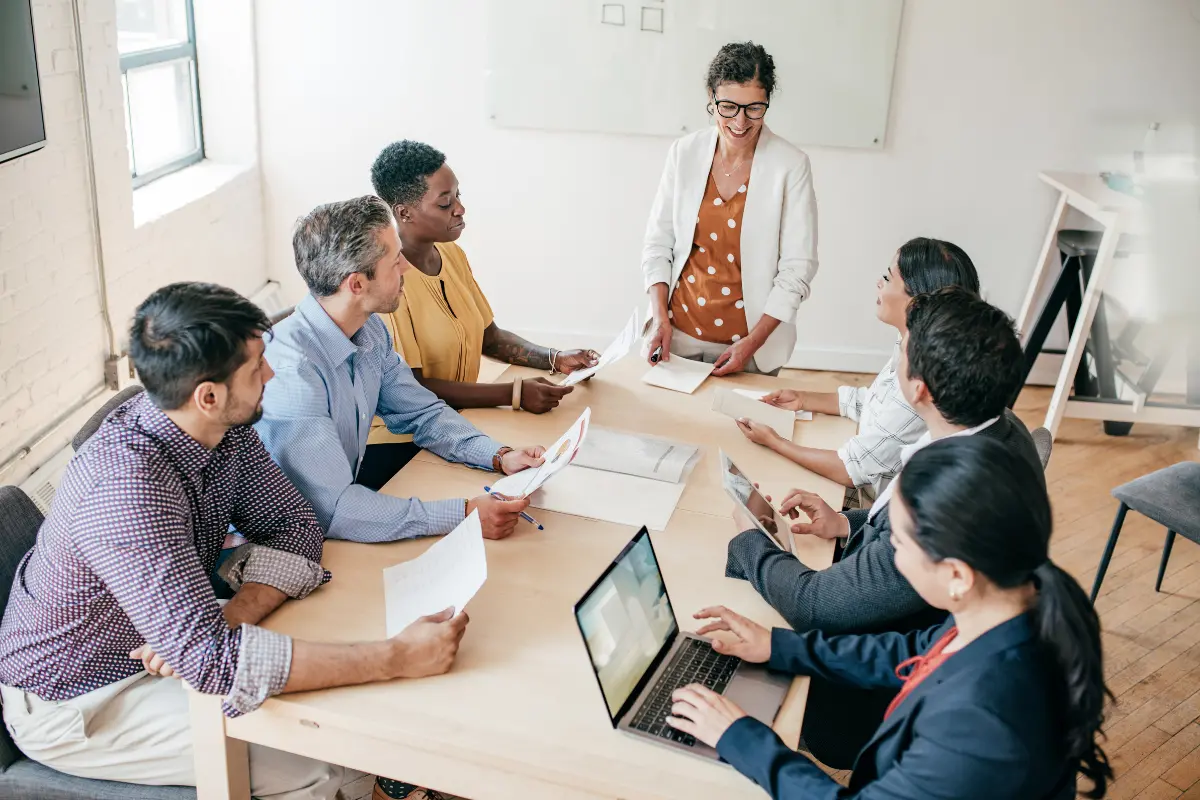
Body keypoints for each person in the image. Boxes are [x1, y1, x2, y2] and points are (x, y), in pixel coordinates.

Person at [0, 283, 472, 799]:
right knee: (319, 758)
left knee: (345, 694)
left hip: (179, 642)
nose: (270, 374)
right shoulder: (127, 488)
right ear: (208, 395)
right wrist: (395, 657)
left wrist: (231, 617)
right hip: (81, 696)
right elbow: (213, 664)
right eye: (256, 368)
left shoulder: (223, 427)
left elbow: (295, 524)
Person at [669, 436, 1113, 800]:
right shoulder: (1008, 600)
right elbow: (913, 651)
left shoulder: (979, 724)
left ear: (956, 575)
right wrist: (779, 646)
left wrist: (739, 735)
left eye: (896, 544)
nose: (890, 557)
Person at [725, 286, 1039, 768]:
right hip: (915, 644)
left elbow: (815, 605)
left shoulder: (945, 506)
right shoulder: (1001, 429)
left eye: (902, 350)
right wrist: (847, 524)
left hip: (871, 700)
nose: (895, 361)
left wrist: (750, 539)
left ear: (920, 389)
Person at [257, 196, 545, 543]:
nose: (406, 267)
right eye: (395, 261)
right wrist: (463, 514)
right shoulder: (294, 375)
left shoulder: (368, 329)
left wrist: (499, 456)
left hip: (337, 518)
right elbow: (332, 510)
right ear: (356, 284)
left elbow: (422, 413)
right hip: (286, 541)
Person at [369, 139, 598, 426]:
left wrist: (556, 358)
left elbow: (490, 338)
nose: (460, 209)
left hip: (458, 421)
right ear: (404, 213)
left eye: (458, 195)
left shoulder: (451, 254)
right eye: (445, 203)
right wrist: (513, 393)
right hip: (403, 436)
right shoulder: (386, 280)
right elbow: (410, 388)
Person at [737, 237, 980, 506]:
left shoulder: (919, 383)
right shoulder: (912, 345)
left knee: (757, 484)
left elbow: (851, 469)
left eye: (887, 278)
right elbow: (873, 404)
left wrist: (774, 441)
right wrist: (803, 399)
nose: (879, 282)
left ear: (917, 301)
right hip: (863, 483)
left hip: (869, 506)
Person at [641, 41, 817, 377]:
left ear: (767, 102)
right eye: (728, 107)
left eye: (754, 108)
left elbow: (798, 268)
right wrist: (661, 319)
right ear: (711, 97)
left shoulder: (791, 165)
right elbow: (658, 243)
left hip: (750, 347)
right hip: (676, 336)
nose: (740, 121)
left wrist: (752, 344)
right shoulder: (685, 152)